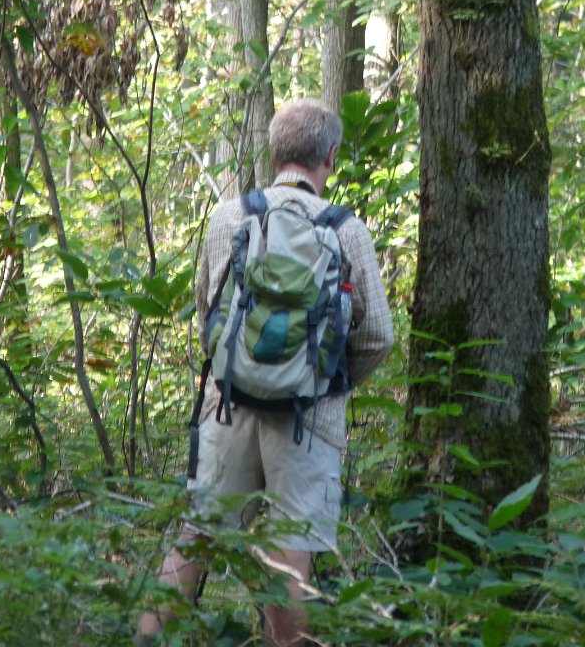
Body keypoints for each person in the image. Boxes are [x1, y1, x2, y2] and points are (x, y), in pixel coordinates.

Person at [136, 98, 394, 647]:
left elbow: (209, 311)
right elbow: (378, 337)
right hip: (308, 420)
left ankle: (148, 642)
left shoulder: (230, 216)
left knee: (196, 537)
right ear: (331, 156)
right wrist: (326, 379)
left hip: (226, 407)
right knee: (289, 555)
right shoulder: (348, 232)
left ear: (274, 153)